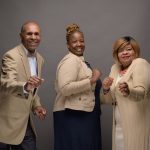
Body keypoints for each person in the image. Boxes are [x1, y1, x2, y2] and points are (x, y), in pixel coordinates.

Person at [53, 23, 102, 150]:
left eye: (82, 41)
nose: (79, 44)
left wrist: (105, 87)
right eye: (74, 42)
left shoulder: (81, 61)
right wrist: (92, 80)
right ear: (68, 45)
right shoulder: (71, 60)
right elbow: (65, 88)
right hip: (72, 116)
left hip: (83, 115)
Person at [0, 21, 46, 150]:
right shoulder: (11, 56)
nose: (33, 37)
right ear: (21, 36)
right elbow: (6, 83)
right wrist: (25, 86)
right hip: (6, 123)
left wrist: (37, 106)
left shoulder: (40, 59)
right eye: (29, 33)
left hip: (25, 123)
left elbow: (33, 90)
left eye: (36, 34)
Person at [101, 36, 150, 150]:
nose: (125, 53)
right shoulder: (115, 68)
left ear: (135, 51)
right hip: (118, 124)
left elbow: (142, 92)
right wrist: (106, 88)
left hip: (136, 122)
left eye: (128, 49)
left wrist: (129, 91)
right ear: (116, 54)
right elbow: (109, 100)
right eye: (121, 50)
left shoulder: (140, 64)